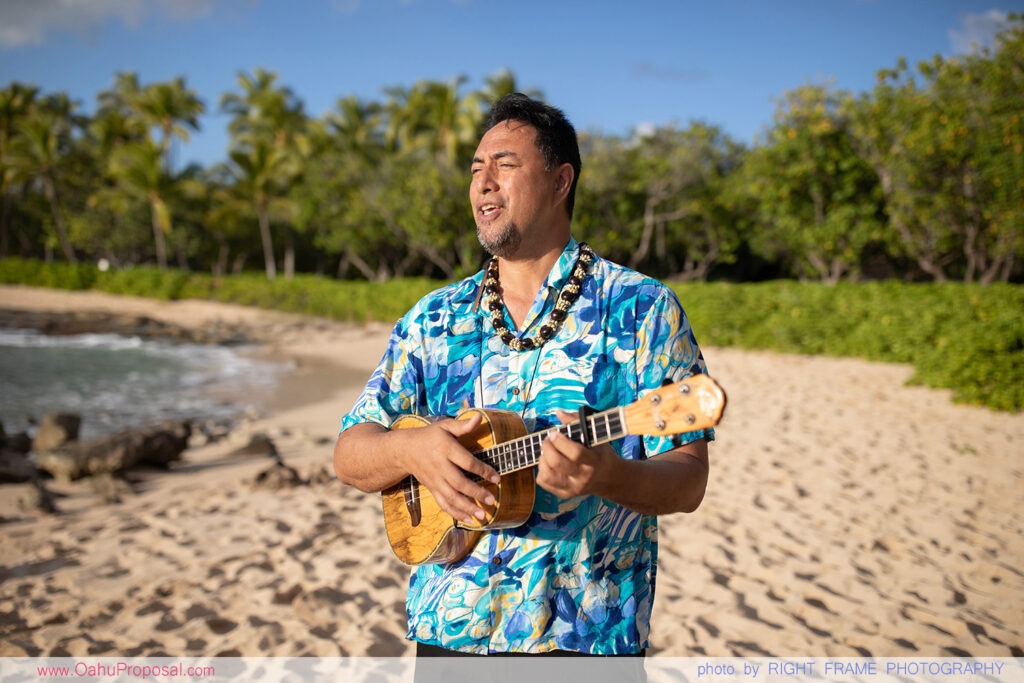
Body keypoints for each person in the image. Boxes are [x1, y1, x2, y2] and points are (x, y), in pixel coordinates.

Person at [333, 93, 713, 659]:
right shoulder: (432, 318)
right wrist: (414, 451)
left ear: (561, 182)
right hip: (449, 636)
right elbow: (350, 454)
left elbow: (687, 480)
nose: (483, 182)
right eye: (476, 170)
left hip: (583, 638)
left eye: (504, 165)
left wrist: (605, 475)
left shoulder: (641, 308)